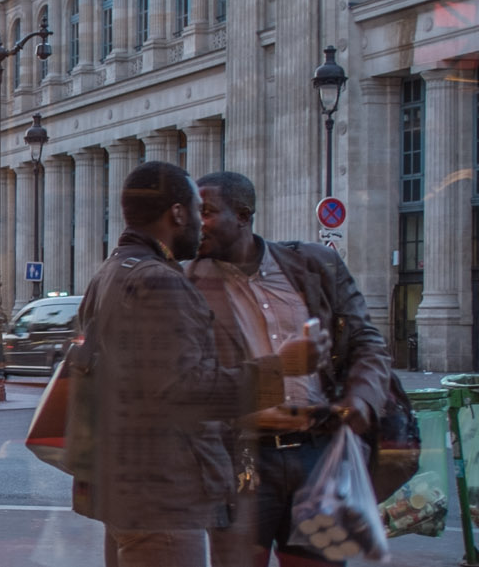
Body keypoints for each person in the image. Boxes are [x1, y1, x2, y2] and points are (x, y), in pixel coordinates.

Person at [73, 161, 326, 567]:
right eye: (196, 209)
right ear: (177, 213)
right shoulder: (161, 281)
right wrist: (282, 366)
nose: (200, 224)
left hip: (122, 485)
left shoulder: (111, 272)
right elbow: (188, 391)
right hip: (162, 494)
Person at [189, 172, 396, 567]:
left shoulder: (314, 265)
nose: (198, 224)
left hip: (319, 451)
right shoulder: (189, 283)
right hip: (242, 459)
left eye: (209, 212)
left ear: (244, 215)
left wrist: (360, 402)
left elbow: (368, 342)